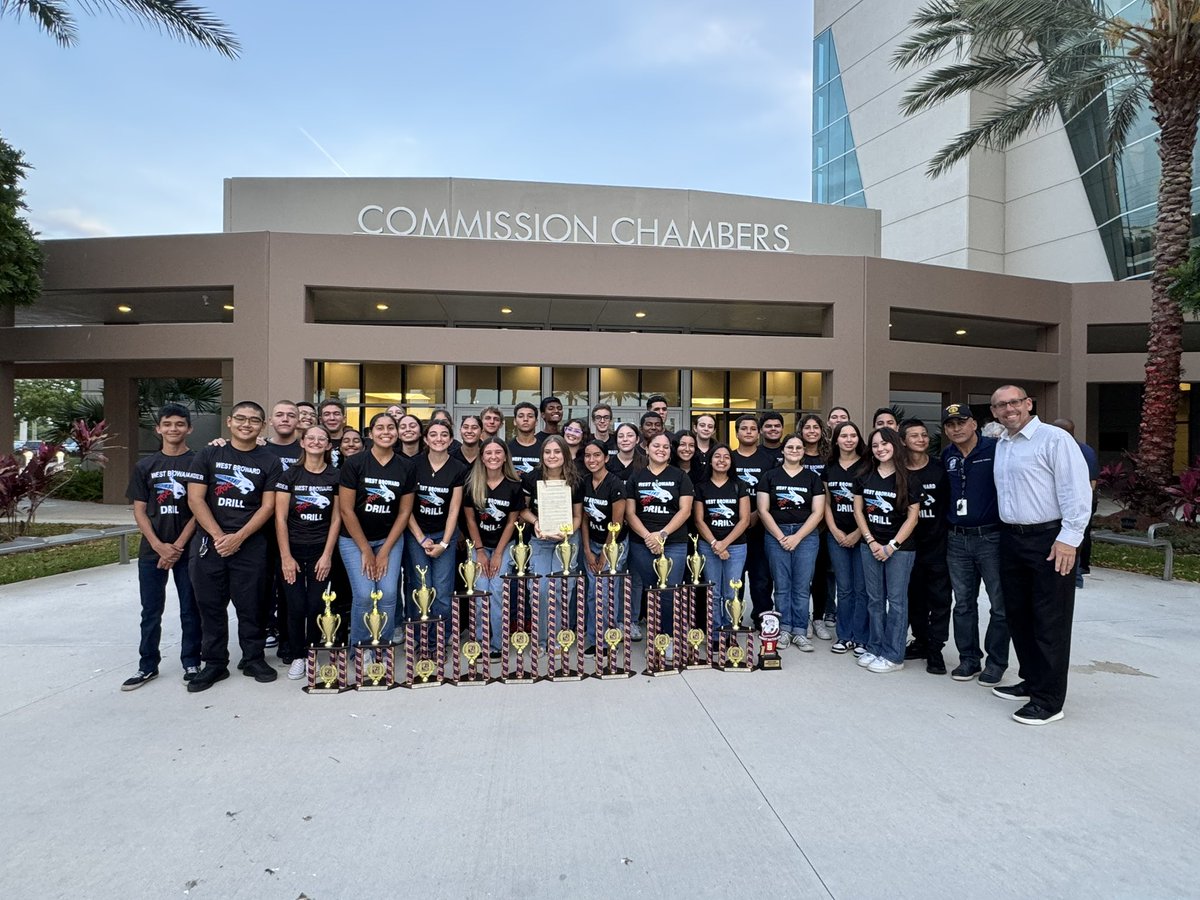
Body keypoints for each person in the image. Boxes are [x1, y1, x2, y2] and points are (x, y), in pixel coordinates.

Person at [992, 385, 1091, 725]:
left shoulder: (1054, 440)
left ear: (1028, 404)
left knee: (1051, 620)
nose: (1009, 409)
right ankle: (1033, 681)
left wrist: (1069, 539)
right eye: (1001, 405)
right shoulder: (1003, 444)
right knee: (1020, 616)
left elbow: (1076, 492)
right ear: (994, 412)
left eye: (1014, 402)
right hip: (1012, 539)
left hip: (1050, 540)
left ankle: (1049, 701)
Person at [183, 401, 284, 692]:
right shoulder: (209, 453)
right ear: (229, 422)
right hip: (209, 543)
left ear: (262, 426)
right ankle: (214, 663)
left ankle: (253, 658)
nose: (246, 424)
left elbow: (268, 506)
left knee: (252, 605)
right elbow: (195, 499)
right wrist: (218, 536)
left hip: (251, 544)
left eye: (254, 420)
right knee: (210, 606)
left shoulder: (269, 460)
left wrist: (239, 537)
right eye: (241, 418)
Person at [122, 403, 201, 690]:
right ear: (159, 428)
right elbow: (140, 510)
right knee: (150, 610)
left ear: (189, 428)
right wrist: (159, 546)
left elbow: (198, 508)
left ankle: (191, 661)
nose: (173, 429)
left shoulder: (198, 462)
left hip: (187, 549)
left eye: (180, 424)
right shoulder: (145, 466)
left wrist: (177, 546)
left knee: (190, 608)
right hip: (151, 551)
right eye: (167, 424)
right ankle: (147, 665)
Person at [941, 402, 1010, 685]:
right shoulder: (946, 456)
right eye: (950, 425)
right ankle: (968, 659)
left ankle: (996, 662)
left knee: (999, 605)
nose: (956, 428)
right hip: (957, 539)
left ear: (974, 424)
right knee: (963, 604)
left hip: (991, 538)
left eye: (961, 422)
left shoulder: (996, 451)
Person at [338, 413, 415, 651]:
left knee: (389, 593)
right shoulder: (355, 463)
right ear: (371, 434)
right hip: (354, 540)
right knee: (364, 595)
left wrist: (383, 552)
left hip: (389, 540)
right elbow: (346, 510)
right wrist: (365, 550)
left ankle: (382, 646)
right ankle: (361, 650)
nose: (386, 432)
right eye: (379, 428)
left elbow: (404, 513)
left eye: (391, 427)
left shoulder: (406, 466)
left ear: (397, 432)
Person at [852, 427, 922, 674]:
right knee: (874, 600)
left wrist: (892, 546)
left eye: (885, 443)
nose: (880, 448)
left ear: (895, 444)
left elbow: (913, 518)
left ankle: (894, 655)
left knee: (897, 602)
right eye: (875, 445)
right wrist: (871, 541)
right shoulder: (864, 475)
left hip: (900, 550)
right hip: (870, 545)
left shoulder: (909, 478)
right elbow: (858, 511)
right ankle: (875, 647)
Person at [275, 425, 342, 680]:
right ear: (302, 443)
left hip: (321, 551)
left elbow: (336, 519)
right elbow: (279, 518)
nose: (315, 442)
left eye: (321, 439)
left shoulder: (335, 476)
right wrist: (285, 557)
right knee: (295, 606)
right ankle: (298, 655)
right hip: (292, 549)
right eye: (310, 438)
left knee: (316, 605)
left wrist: (327, 555)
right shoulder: (289, 475)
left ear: (328, 445)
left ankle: (312, 652)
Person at [758, 434, 826, 651]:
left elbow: (818, 512)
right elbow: (762, 510)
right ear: (783, 450)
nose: (794, 450)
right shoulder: (770, 476)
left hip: (805, 536)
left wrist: (797, 537)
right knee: (782, 585)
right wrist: (780, 537)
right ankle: (783, 630)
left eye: (798, 447)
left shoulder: (812, 478)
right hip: (776, 534)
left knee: (801, 586)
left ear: (804, 451)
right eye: (790, 447)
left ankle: (799, 631)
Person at [625, 433, 694, 644]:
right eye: (656, 445)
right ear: (647, 448)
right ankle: (655, 638)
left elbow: (685, 511)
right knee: (652, 591)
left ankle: (669, 639)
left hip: (674, 542)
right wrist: (648, 537)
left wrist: (662, 535)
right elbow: (630, 513)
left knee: (669, 592)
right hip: (642, 543)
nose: (661, 450)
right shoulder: (636, 477)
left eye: (665, 447)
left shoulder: (680, 476)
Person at [462, 437, 524, 658]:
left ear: (505, 456)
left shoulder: (514, 485)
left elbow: (511, 522)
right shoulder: (472, 483)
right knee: (479, 591)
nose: (493, 457)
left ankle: (498, 643)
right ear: (481, 457)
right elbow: (470, 520)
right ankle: (479, 640)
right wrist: (479, 551)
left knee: (497, 591)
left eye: (498, 452)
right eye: (488, 453)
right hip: (479, 545)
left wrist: (498, 554)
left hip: (503, 545)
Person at [900, 418, 953, 675]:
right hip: (909, 547)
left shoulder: (940, 469)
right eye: (914, 436)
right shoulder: (899, 471)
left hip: (937, 545)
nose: (921, 439)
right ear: (903, 441)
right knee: (914, 598)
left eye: (923, 435)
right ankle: (920, 641)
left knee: (940, 599)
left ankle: (936, 648)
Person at [518, 435, 584, 638]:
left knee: (562, 589)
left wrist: (566, 532)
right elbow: (523, 510)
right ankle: (540, 638)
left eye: (557, 451)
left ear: (565, 454)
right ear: (542, 455)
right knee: (540, 590)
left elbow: (578, 517)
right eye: (547, 452)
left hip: (566, 541)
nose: (552, 456)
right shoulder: (532, 477)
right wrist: (536, 522)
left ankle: (558, 637)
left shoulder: (576, 479)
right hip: (540, 539)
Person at [404, 419, 467, 625]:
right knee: (421, 586)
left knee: (441, 589)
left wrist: (444, 543)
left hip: (444, 534)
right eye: (433, 434)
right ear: (425, 439)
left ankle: (442, 636)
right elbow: (406, 509)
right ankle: (419, 636)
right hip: (417, 535)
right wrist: (421, 539)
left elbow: (454, 510)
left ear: (450, 440)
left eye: (444, 435)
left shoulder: (458, 467)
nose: (438, 439)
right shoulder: (413, 465)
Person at [693, 443, 751, 634]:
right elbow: (699, 520)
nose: (722, 460)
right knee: (713, 591)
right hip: (708, 545)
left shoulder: (739, 485)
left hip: (735, 547)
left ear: (731, 462)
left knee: (731, 591)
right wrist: (714, 544)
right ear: (710, 460)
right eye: (717, 456)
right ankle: (715, 631)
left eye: (726, 457)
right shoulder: (701, 486)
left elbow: (744, 520)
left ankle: (730, 629)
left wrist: (724, 544)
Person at [824, 422, 869, 655]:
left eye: (853, 435)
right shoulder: (829, 466)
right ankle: (844, 635)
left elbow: (871, 505)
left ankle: (861, 637)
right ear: (836, 440)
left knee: (862, 589)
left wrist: (857, 533)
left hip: (863, 536)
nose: (849, 439)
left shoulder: (867, 465)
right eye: (844, 435)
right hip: (837, 536)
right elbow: (827, 504)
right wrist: (835, 531)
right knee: (844, 588)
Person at [579, 439, 628, 653]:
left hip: (614, 545)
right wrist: (588, 551)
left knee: (607, 593)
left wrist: (605, 555)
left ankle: (610, 640)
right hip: (593, 543)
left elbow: (616, 524)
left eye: (597, 455)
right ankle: (594, 638)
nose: (592, 459)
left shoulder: (615, 484)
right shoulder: (584, 482)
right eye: (588, 455)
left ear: (606, 457)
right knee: (592, 593)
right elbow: (583, 519)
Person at [731, 414, 777, 627]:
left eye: (752, 429)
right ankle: (734, 617)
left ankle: (762, 617)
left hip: (760, 528)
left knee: (761, 579)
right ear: (737, 433)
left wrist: (755, 515)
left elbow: (772, 493)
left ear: (758, 433)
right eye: (744, 429)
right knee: (735, 578)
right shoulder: (729, 459)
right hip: (733, 530)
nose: (748, 432)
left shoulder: (768, 462)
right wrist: (741, 518)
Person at [798, 413, 835, 640]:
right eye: (807, 427)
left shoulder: (829, 457)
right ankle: (801, 619)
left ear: (822, 430)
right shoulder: (794, 453)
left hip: (822, 526)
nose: (811, 431)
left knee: (820, 575)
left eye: (815, 427)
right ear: (800, 431)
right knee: (799, 577)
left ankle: (819, 617)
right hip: (796, 524)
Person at [1052, 417, 1099, 588]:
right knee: (1082, 536)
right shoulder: (1087, 450)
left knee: (1074, 537)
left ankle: (1076, 575)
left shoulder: (1079, 450)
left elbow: (1091, 483)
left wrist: (1081, 503)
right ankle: (1081, 569)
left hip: (1079, 502)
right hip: (1082, 501)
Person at [508, 401, 543, 474]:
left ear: (536, 422)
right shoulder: (506, 448)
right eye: (521, 416)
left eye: (530, 416)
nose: (525, 419)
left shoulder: (544, 448)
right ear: (514, 421)